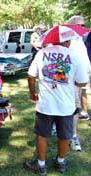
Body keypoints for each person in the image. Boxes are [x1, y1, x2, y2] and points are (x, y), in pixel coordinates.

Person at [23, 36, 89, 175]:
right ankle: (60, 162)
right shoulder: (76, 55)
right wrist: (73, 82)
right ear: (67, 41)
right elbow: (82, 82)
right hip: (66, 105)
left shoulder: (42, 53)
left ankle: (41, 166)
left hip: (45, 104)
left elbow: (30, 76)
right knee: (65, 135)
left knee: (42, 134)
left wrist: (32, 93)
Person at [68, 15, 90, 151]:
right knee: (73, 107)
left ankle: (70, 133)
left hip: (82, 78)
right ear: (71, 25)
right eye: (79, 25)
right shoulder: (68, 40)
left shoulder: (80, 39)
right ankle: (73, 136)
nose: (82, 28)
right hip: (72, 79)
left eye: (83, 25)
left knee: (74, 107)